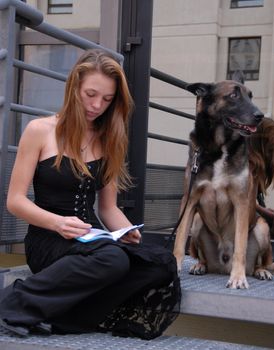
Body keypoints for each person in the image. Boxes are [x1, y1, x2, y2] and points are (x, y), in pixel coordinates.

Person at [0, 49, 180, 339]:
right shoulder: (40, 131)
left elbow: (108, 209)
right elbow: (15, 201)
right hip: (49, 240)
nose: (97, 105)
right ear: (74, 87)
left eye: (107, 100)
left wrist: (126, 232)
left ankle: (60, 319)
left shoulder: (110, 139)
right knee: (114, 261)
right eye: (91, 94)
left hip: (95, 242)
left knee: (159, 265)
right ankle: (11, 303)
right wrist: (57, 223)